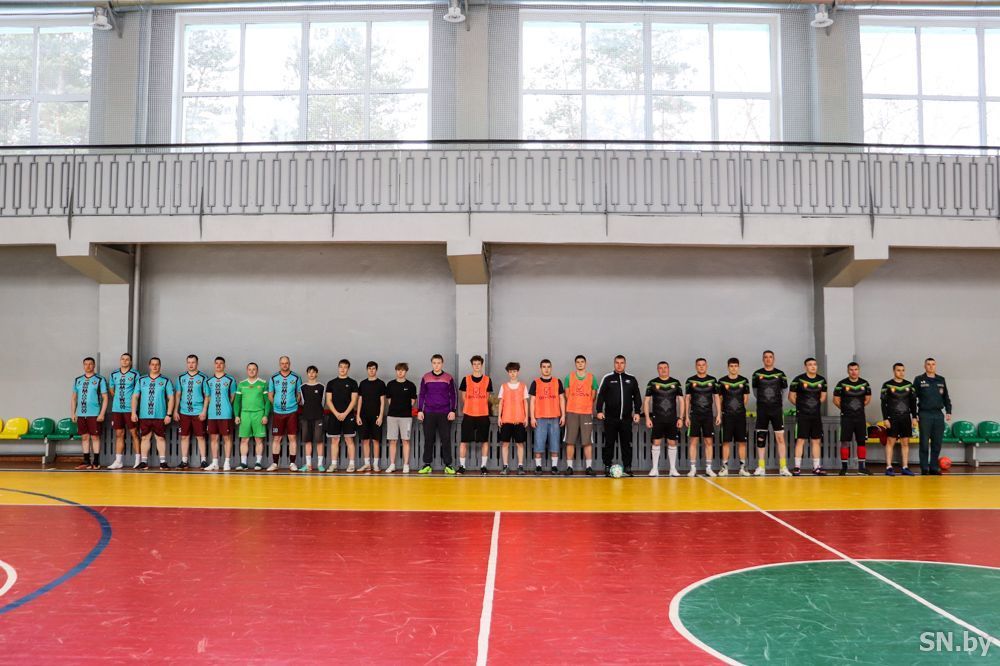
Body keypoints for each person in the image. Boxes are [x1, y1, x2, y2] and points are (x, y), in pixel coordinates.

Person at [596, 355, 642, 477]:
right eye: (617, 362)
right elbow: (601, 395)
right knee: (609, 443)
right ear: (614, 364)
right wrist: (599, 410)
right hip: (610, 419)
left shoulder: (631, 379)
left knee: (626, 444)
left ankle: (627, 467)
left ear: (625, 364)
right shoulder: (608, 378)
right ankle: (607, 466)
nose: (619, 365)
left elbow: (637, 397)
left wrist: (637, 412)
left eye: (622, 363)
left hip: (626, 419)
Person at [752, 351, 792, 477]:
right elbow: (755, 391)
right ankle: (761, 467)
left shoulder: (780, 374)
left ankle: (783, 467)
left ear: (774, 359)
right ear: (763, 359)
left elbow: (785, 390)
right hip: (762, 410)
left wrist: (778, 403)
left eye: (770, 357)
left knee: (780, 438)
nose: (768, 359)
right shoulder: (757, 374)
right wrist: (763, 402)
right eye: (766, 357)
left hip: (776, 410)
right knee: (761, 438)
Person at [417, 354, 457, 475]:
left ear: (442, 363)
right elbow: (421, 394)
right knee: (428, 439)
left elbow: (453, 395)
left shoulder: (448, 377)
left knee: (446, 439)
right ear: (432, 364)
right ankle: (427, 464)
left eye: (438, 363)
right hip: (429, 412)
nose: (436, 365)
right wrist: (420, 410)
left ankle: (448, 465)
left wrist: (453, 410)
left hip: (445, 413)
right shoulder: (426, 377)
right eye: (434, 363)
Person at [131, 357, 174, 470]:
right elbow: (135, 397)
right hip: (144, 415)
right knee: (145, 438)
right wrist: (133, 412)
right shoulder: (141, 380)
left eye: (157, 364)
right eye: (153, 364)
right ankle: (144, 462)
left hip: (160, 415)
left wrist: (169, 414)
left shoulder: (165, 380)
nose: (155, 366)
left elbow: (171, 398)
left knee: (160, 438)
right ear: (149, 366)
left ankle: (163, 462)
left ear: (160, 366)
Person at [644, 361, 684, 477]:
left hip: (672, 418)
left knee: (672, 442)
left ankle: (673, 469)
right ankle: (654, 469)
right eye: (660, 368)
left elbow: (681, 401)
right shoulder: (652, 383)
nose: (663, 370)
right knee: (656, 442)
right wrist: (647, 418)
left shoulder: (675, 383)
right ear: (658, 370)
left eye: (665, 367)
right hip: (657, 418)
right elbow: (646, 401)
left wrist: (681, 418)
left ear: (668, 368)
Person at [789, 357, 828, 476]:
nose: (813, 366)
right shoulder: (798, 380)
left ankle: (816, 467)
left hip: (815, 415)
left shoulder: (822, 380)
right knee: (800, 440)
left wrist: (814, 406)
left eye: (814, 364)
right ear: (805, 367)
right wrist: (801, 406)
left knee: (816, 440)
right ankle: (797, 467)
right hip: (802, 415)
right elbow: (791, 397)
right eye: (810, 364)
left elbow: (823, 397)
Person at [833, 362, 872, 476]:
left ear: (859, 370)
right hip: (846, 417)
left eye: (856, 369)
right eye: (851, 370)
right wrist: (845, 409)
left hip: (860, 417)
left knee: (861, 441)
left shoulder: (865, 384)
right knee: (845, 442)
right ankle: (844, 468)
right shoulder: (841, 384)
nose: (854, 372)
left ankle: (862, 468)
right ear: (848, 371)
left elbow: (867, 399)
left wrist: (858, 408)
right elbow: (835, 400)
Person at [914, 357, 952, 475]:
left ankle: (934, 467)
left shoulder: (941, 379)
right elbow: (913, 398)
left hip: (938, 415)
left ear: (935, 366)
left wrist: (948, 411)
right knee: (924, 443)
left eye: (933, 364)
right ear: (924, 366)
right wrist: (914, 415)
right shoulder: (919, 379)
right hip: (925, 414)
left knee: (937, 443)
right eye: (928, 364)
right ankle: (924, 468)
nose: (931, 366)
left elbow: (946, 397)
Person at [880, 363, 918, 476]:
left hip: (905, 417)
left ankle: (905, 467)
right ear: (894, 371)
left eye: (903, 370)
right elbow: (883, 404)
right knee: (890, 442)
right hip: (892, 418)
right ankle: (889, 467)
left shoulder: (909, 385)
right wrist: (885, 418)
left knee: (905, 443)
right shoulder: (887, 385)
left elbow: (913, 402)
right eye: (898, 370)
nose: (901, 372)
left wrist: (914, 417)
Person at [529, 359, 566, 475]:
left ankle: (554, 467)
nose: (546, 369)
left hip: (555, 417)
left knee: (555, 443)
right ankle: (538, 467)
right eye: (544, 367)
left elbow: (562, 399)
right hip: (540, 418)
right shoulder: (535, 382)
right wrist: (532, 417)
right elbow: (532, 401)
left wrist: (563, 415)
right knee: (539, 443)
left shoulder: (557, 382)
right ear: (540, 368)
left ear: (551, 368)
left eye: (548, 366)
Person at [685, 358, 720, 477]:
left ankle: (709, 468)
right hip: (694, 415)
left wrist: (718, 414)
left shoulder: (713, 380)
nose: (701, 367)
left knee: (708, 441)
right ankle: (693, 468)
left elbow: (716, 397)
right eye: (699, 365)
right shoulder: (690, 380)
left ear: (706, 366)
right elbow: (687, 399)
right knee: (693, 441)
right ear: (696, 366)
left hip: (708, 415)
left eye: (703, 365)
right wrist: (686, 416)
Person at [564, 355, 598, 476]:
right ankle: (569, 467)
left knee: (587, 441)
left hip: (586, 412)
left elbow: (593, 395)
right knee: (570, 441)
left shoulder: (592, 378)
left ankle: (589, 467)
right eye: (578, 362)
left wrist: (585, 404)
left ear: (585, 363)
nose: (580, 364)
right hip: (572, 412)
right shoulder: (569, 377)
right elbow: (567, 395)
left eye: (582, 362)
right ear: (575, 364)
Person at [71, 356, 108, 470]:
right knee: (84, 437)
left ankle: (96, 461)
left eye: (90, 364)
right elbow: (74, 398)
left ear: (94, 365)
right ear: (83, 365)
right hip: (81, 414)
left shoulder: (100, 379)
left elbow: (105, 397)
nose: (88, 366)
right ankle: (86, 461)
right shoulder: (78, 380)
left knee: (95, 437)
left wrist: (102, 413)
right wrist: (73, 413)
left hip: (94, 414)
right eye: (86, 364)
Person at [458, 355, 493, 475]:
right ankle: (462, 466)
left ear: (481, 365)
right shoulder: (466, 379)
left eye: (479, 364)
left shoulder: (487, 380)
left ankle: (483, 466)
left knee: (484, 441)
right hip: (469, 414)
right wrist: (471, 405)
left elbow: (487, 397)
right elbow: (463, 397)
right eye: (474, 364)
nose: (477, 366)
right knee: (464, 441)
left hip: (483, 414)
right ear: (472, 365)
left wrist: (479, 404)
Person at [268, 356, 303, 471]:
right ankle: (275, 464)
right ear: (279, 364)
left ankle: (292, 463)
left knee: (292, 437)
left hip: (292, 412)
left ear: (289, 363)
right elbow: (270, 394)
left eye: (286, 363)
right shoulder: (274, 378)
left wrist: (295, 403)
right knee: (277, 438)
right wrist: (276, 405)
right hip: (278, 412)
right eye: (282, 363)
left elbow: (299, 393)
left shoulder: (296, 377)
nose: (284, 365)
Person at [717, 358, 751, 476]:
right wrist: (723, 412)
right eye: (731, 366)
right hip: (727, 416)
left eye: (736, 366)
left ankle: (743, 468)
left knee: (742, 442)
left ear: (739, 367)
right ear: (728, 367)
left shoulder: (744, 381)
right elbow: (719, 399)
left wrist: (738, 409)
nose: (733, 368)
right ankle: (724, 467)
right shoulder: (721, 381)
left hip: (740, 416)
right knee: (726, 442)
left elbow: (745, 399)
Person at [174, 355, 209, 469]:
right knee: (184, 436)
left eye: (193, 362)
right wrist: (175, 411)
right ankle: (184, 461)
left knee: (200, 436)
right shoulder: (181, 378)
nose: (191, 364)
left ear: (197, 363)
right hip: (184, 411)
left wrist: (204, 411)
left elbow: (207, 396)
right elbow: (178, 395)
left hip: (198, 412)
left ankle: (203, 460)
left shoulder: (203, 377)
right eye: (189, 362)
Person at [233, 362, 270, 471]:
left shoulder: (263, 383)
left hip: (258, 413)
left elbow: (267, 401)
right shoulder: (242, 384)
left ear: (257, 371)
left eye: (254, 369)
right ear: (247, 370)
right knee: (244, 439)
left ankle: (258, 463)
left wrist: (265, 415)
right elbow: (237, 402)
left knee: (258, 439)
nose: (252, 371)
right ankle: (243, 463)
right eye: (249, 369)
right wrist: (236, 415)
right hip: (245, 414)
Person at [325, 359, 359, 472]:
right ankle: (333, 465)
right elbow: (328, 400)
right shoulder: (331, 383)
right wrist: (336, 413)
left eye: (345, 367)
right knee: (335, 440)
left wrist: (345, 413)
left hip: (348, 415)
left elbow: (354, 400)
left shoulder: (353, 383)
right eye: (341, 367)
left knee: (349, 439)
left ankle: (351, 464)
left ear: (348, 369)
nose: (343, 369)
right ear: (338, 367)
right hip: (334, 415)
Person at [107, 353, 139, 470]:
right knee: (119, 434)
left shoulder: (135, 374)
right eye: (123, 359)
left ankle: (138, 460)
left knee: (134, 433)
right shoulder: (114, 374)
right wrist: (117, 397)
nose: (125, 361)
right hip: (117, 409)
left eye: (127, 359)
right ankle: (118, 461)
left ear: (130, 362)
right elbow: (111, 389)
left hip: (130, 409)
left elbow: (138, 391)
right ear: (120, 360)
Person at [384, 362, 417, 473]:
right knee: (392, 441)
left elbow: (413, 401)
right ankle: (392, 464)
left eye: (402, 370)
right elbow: (389, 400)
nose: (400, 372)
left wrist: (404, 409)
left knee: (405, 440)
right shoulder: (390, 384)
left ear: (406, 371)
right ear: (396, 371)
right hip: (392, 416)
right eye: (398, 370)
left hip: (406, 417)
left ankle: (406, 465)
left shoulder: (411, 385)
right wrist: (396, 408)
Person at [205, 357, 237, 471]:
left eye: (221, 363)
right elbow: (208, 397)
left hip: (225, 413)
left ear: (224, 365)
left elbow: (233, 396)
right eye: (217, 363)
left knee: (227, 437)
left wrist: (226, 405)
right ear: (214, 365)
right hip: (212, 414)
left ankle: (227, 462)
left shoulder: (230, 380)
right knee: (213, 438)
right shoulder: (209, 381)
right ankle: (215, 463)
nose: (218, 365)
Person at [497, 362, 529, 475]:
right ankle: (505, 466)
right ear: (508, 373)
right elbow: (501, 402)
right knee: (505, 444)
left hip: (519, 420)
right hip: (506, 419)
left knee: (520, 444)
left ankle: (520, 466)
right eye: (510, 372)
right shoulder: (503, 386)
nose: (513, 373)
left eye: (514, 371)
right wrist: (499, 417)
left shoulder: (523, 386)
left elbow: (525, 402)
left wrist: (526, 417)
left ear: (518, 372)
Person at [356, 361, 387, 472]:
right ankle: (367, 464)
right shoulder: (363, 383)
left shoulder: (381, 384)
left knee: (375, 440)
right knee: (365, 440)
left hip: (376, 416)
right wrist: (358, 415)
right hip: (364, 416)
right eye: (369, 368)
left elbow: (383, 401)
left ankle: (375, 464)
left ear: (376, 370)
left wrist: (381, 416)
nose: (371, 370)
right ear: (367, 370)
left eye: (373, 368)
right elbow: (360, 400)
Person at [299, 366, 326, 472]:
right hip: (306, 417)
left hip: (318, 417)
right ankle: (308, 465)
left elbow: (323, 402)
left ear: (316, 373)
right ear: (307, 374)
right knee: (307, 441)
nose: (311, 374)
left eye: (313, 372)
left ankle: (320, 464)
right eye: (309, 372)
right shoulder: (302, 387)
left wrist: (317, 411)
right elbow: (303, 402)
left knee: (319, 441)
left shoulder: (321, 387)